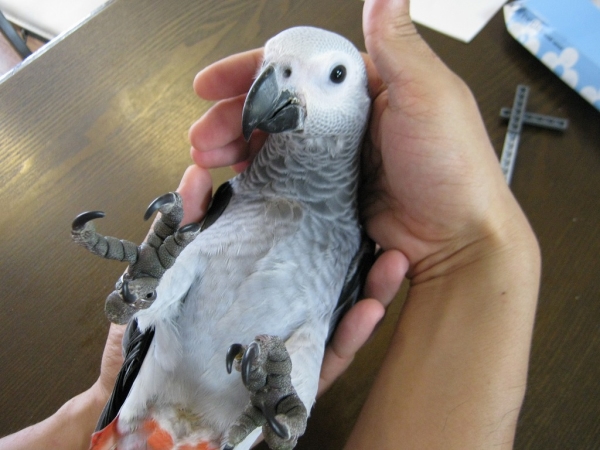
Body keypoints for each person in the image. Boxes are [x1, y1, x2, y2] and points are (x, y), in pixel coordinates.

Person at [0, 0, 540, 448]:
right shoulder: (238, 193)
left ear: (360, 106)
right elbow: (168, 299)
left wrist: (282, 403)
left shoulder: (352, 243)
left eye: (333, 76)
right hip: (142, 402)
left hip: (220, 426)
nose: (278, 78)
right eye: (274, 64)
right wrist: (143, 287)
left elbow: (306, 343)